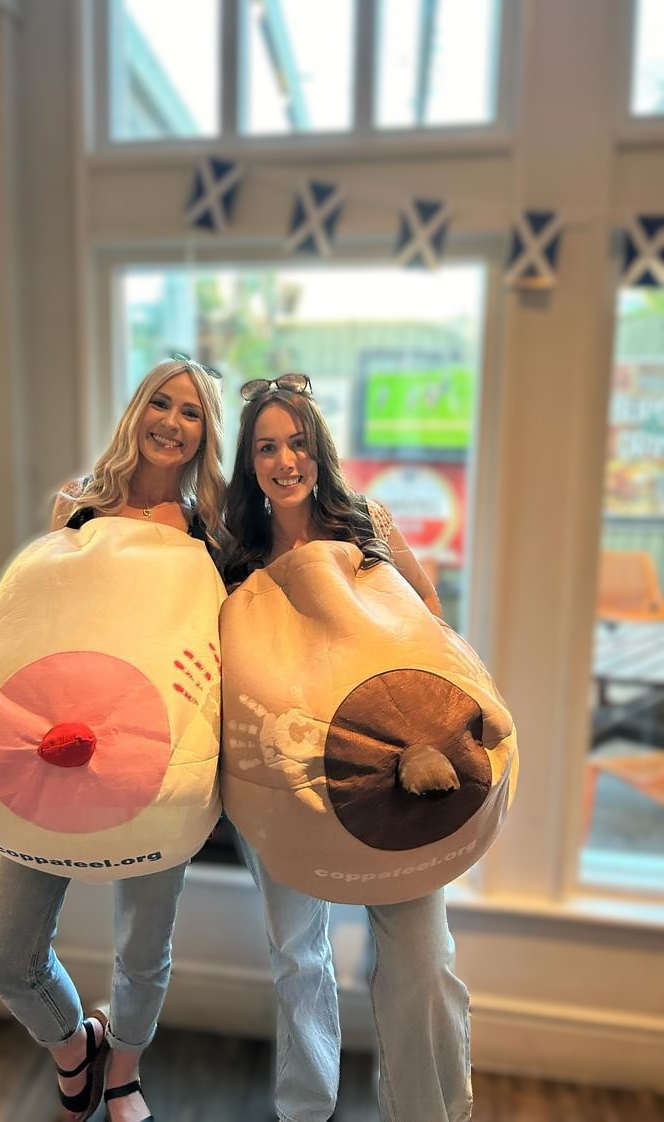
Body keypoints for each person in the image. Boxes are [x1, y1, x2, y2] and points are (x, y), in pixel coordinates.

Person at [0, 356, 226, 1122]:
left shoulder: (210, 533)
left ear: (205, 434)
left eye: (191, 412)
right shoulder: (76, 508)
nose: (172, 423)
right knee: (4, 956)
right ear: (136, 409)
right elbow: (36, 625)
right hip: (53, 754)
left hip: (157, 764)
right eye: (161, 402)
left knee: (143, 951)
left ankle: (123, 1073)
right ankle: (75, 1047)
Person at [222, 374, 471, 1122]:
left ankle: (431, 1112)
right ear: (249, 462)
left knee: (421, 960)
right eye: (267, 447)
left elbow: (426, 614)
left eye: (297, 443)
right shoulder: (235, 554)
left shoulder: (367, 525)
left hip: (393, 766)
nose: (285, 461)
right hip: (284, 779)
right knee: (297, 956)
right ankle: (305, 1110)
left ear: (319, 448)